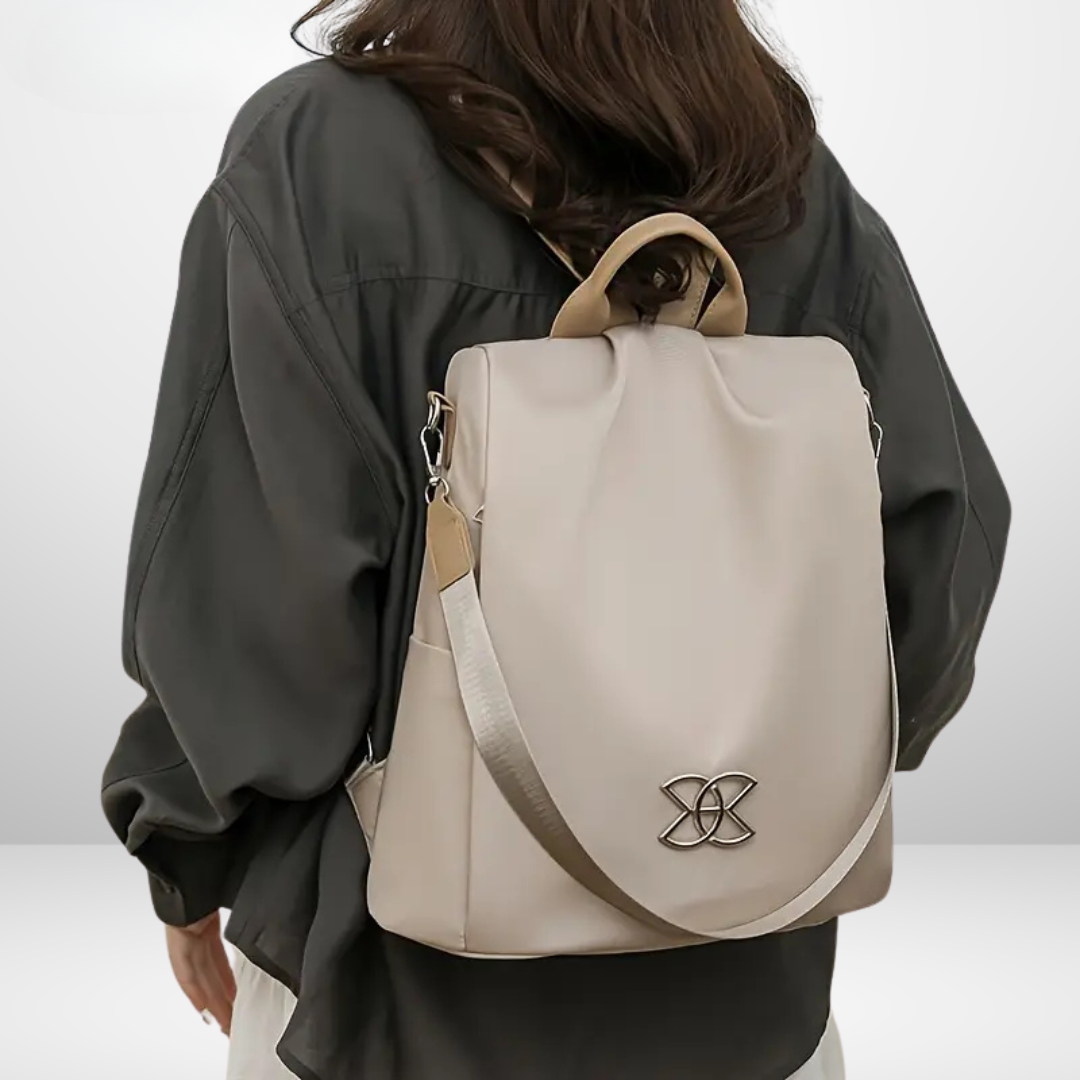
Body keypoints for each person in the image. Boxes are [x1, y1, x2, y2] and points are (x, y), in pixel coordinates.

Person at [100, 2, 1011, 1078]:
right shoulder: (791, 181)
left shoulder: (317, 157)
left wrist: (186, 850)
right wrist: (752, 782)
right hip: (751, 996)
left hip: (384, 1006)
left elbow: (253, 615)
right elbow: (940, 559)